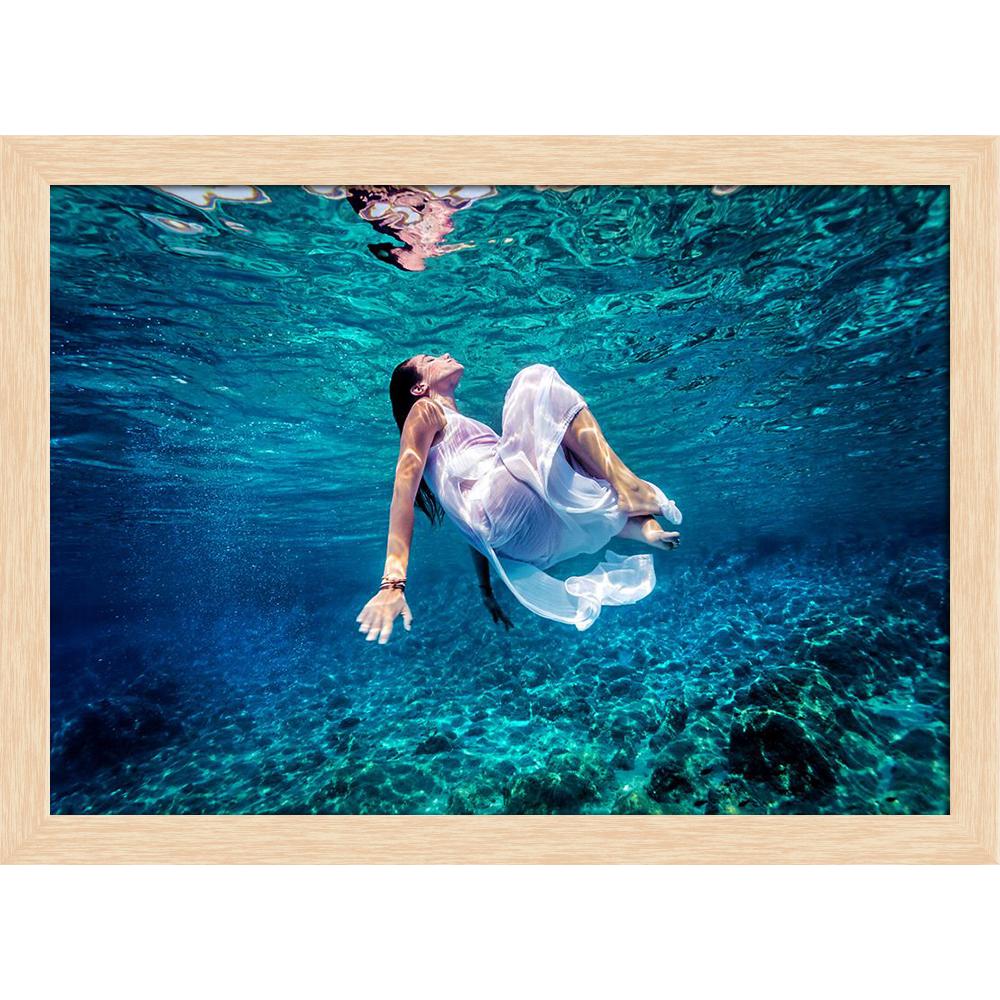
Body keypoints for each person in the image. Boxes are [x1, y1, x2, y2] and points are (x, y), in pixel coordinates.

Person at [356, 355, 682, 643]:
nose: (443, 354)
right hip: (502, 516)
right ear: (419, 388)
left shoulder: (458, 453)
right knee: (534, 379)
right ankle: (628, 488)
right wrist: (392, 584)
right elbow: (403, 494)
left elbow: (473, 526)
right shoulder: (424, 410)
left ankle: (639, 527)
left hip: (518, 545)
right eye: (430, 360)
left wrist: (486, 590)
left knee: (564, 457)